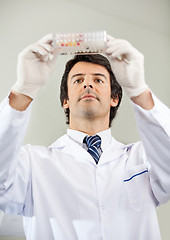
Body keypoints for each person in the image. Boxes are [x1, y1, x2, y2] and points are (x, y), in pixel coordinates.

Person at [0, 33, 170, 240]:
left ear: (114, 98)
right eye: (78, 80)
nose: (88, 85)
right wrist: (22, 91)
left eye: (98, 80)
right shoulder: (31, 164)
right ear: (66, 101)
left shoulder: (141, 159)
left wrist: (139, 90)